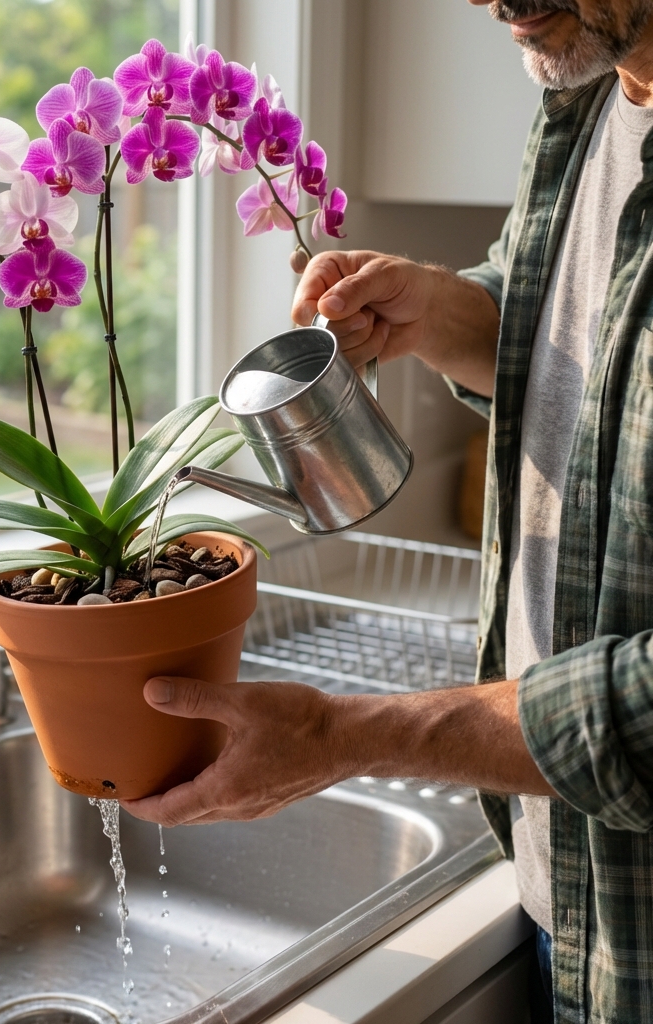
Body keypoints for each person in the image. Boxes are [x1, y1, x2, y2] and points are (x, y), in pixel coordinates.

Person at [122, 2, 653, 1021]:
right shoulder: (590, 89)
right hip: (576, 914)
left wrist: (345, 733)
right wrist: (447, 313)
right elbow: (602, 351)